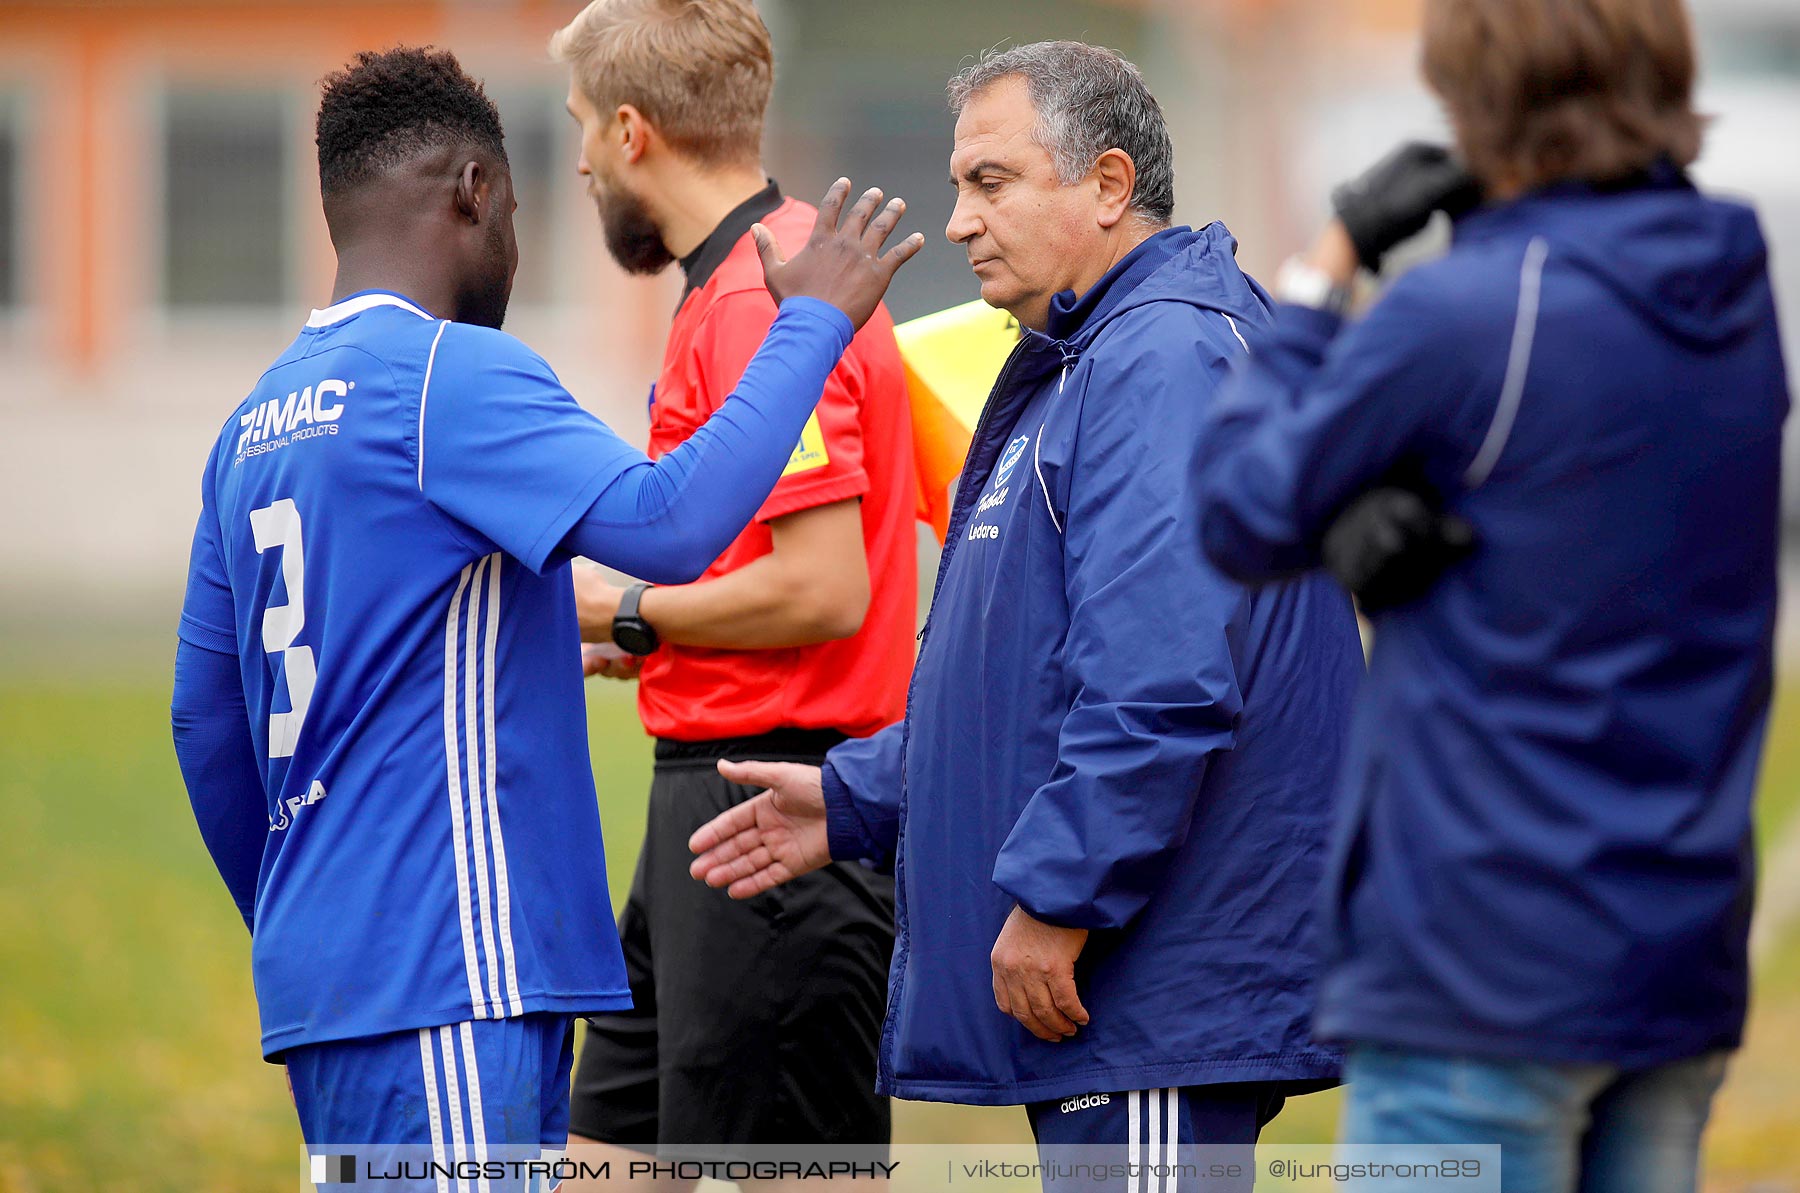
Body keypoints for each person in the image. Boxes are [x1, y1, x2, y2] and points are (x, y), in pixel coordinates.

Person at [167, 44, 919, 1186]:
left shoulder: (252, 423)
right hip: (452, 968)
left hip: (338, 982)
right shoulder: (450, 376)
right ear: (473, 190)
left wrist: (302, 937)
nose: (521, 240)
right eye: (518, 207)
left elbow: (203, 723)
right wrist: (809, 323)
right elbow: (670, 521)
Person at [688, 41, 1363, 1188]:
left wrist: (1059, 896)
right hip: (1130, 987)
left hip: (1153, 988)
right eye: (959, 185)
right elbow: (1032, 675)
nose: (956, 221)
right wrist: (861, 795)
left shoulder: (1161, 358)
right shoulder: (1091, 355)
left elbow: (1162, 678)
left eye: (990, 182)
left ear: (1107, 185)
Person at [1193, 1, 1790, 1189]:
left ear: (1476, 105)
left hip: (1479, 971)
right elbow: (1569, 489)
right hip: (1675, 948)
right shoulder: (1733, 288)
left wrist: (1321, 276)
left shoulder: (1468, 311)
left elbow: (1239, 505)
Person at [545, 0, 914, 1168]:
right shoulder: (746, 279)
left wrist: (630, 610)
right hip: (702, 812)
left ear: (635, 131)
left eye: (582, 128)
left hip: (775, 823)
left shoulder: (764, 297)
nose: (583, 160)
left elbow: (823, 591)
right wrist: (656, 639)